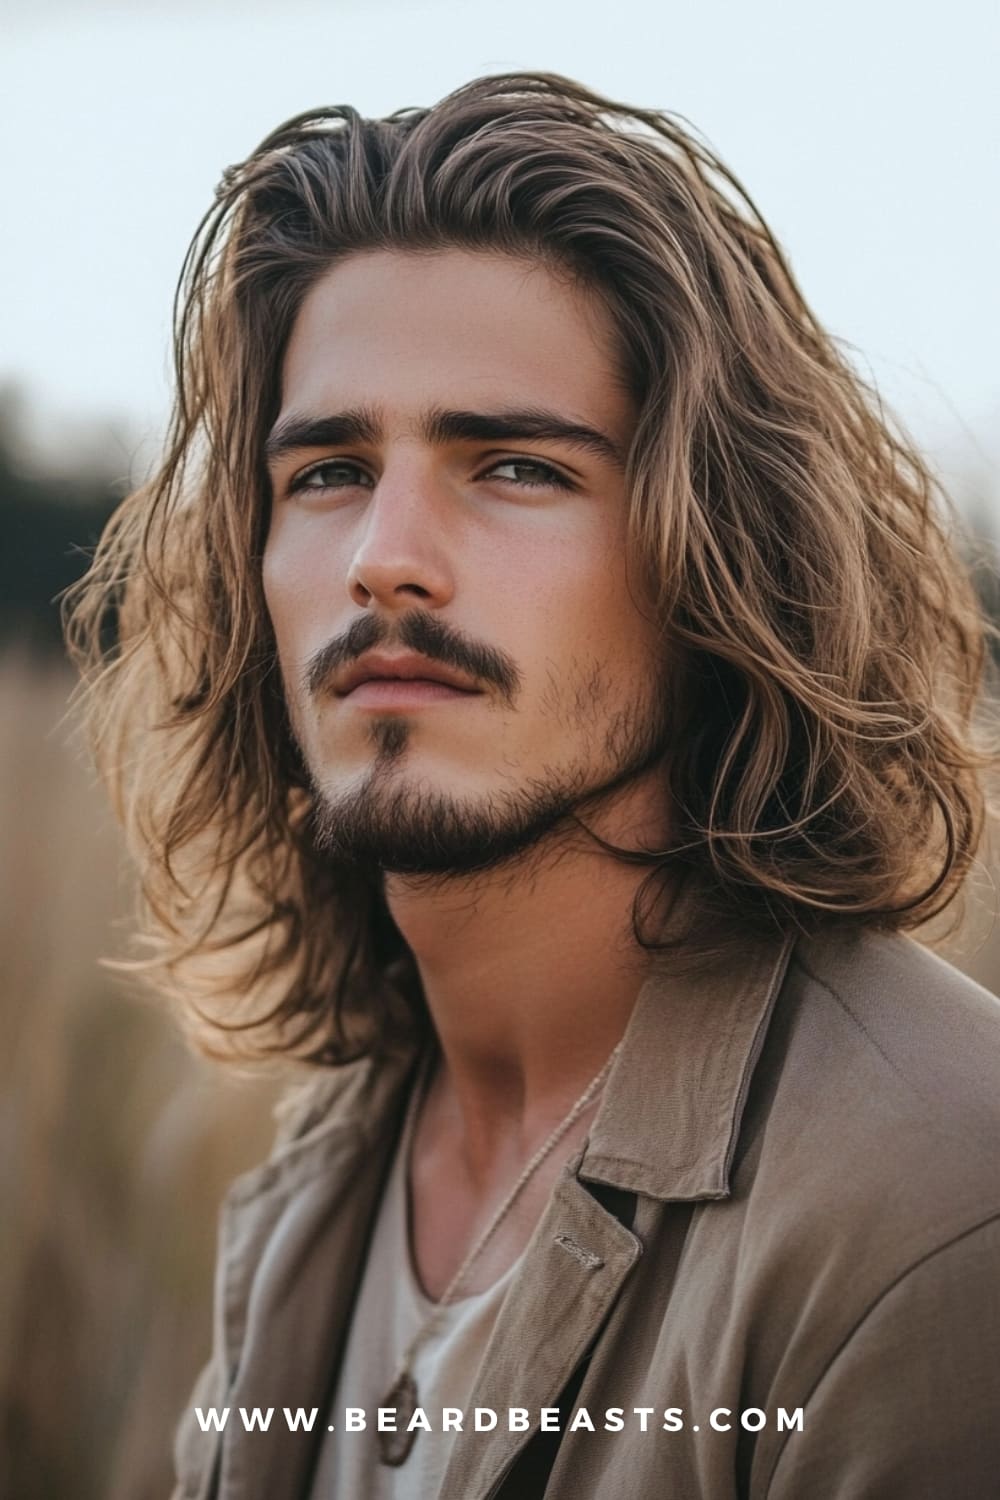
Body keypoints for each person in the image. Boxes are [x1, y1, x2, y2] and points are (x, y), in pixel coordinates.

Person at [65, 72, 1000, 1500]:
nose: (385, 556)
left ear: (714, 550)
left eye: (512, 465)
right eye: (327, 472)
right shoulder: (334, 1171)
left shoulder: (938, 1205)